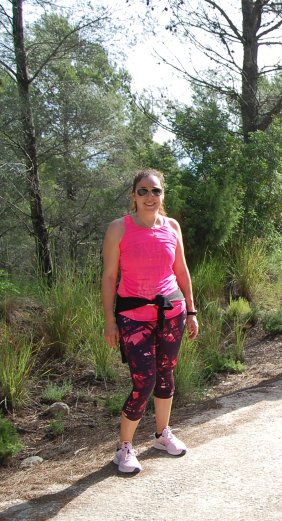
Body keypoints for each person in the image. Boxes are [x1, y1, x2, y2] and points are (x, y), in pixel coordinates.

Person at [102, 169, 198, 474]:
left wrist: (192, 311)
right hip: (133, 316)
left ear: (162, 195)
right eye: (143, 191)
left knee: (166, 374)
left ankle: (161, 434)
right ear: (133, 195)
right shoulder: (119, 228)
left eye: (155, 191)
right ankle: (124, 447)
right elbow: (109, 277)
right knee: (144, 381)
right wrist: (109, 321)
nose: (149, 196)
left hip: (171, 312)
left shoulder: (172, 226)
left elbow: (181, 271)